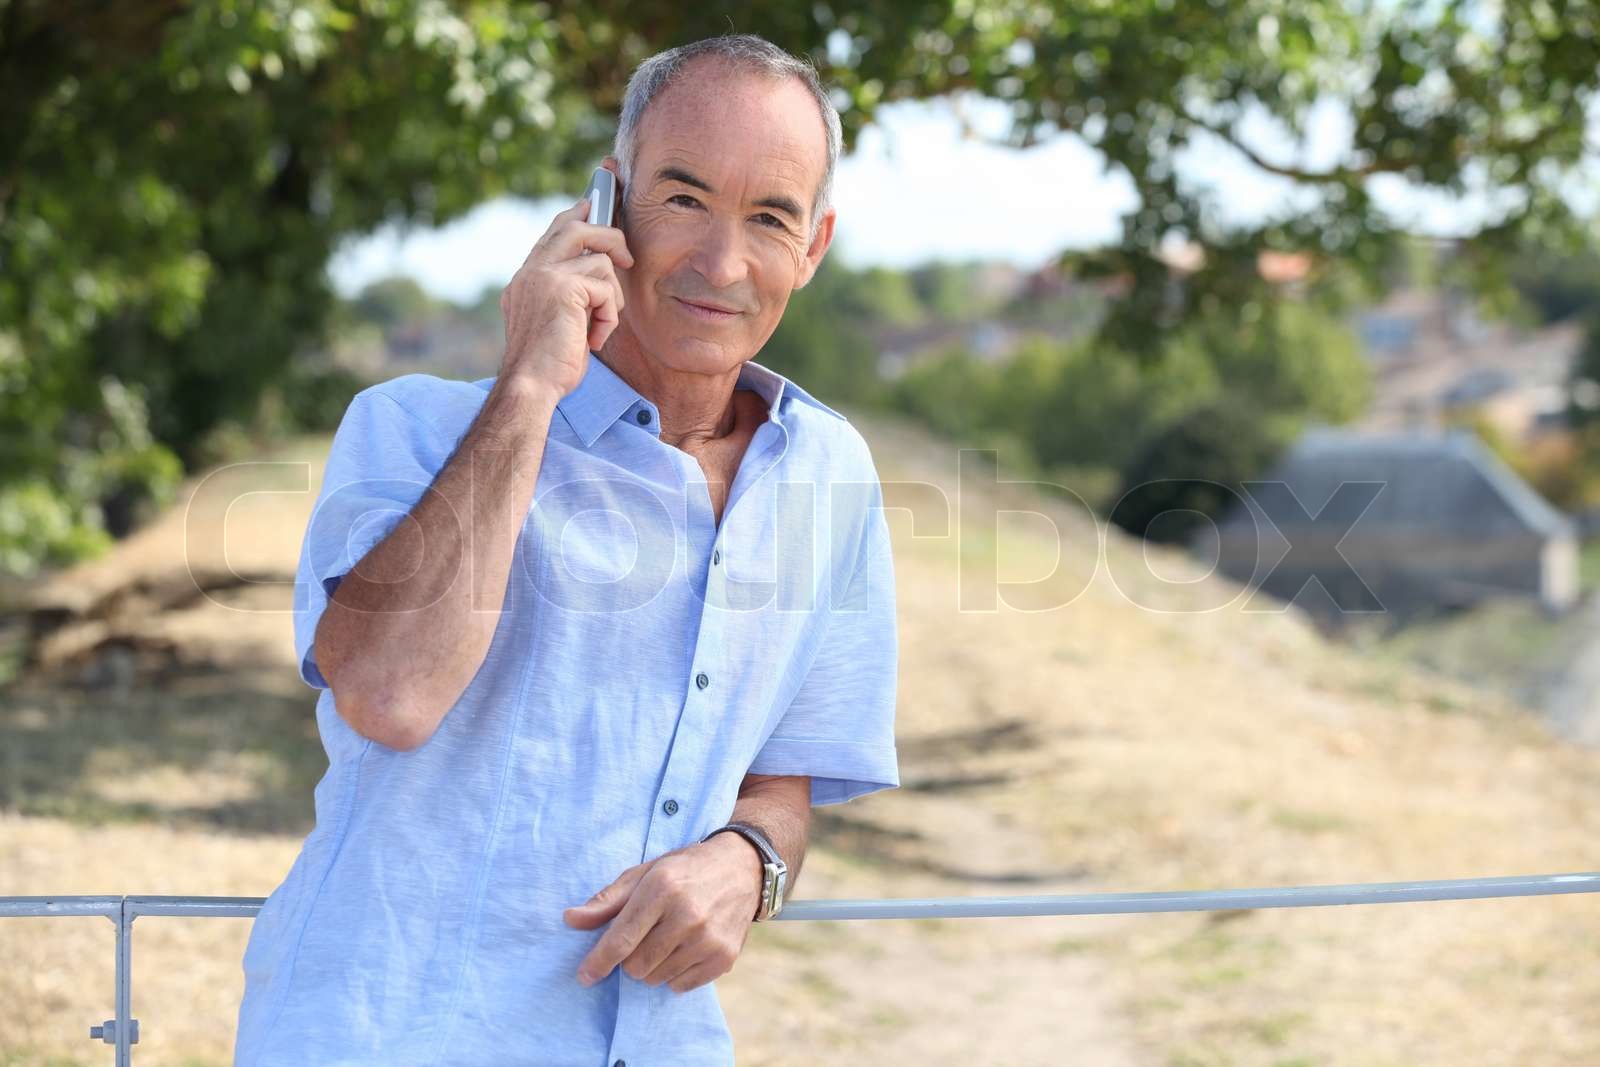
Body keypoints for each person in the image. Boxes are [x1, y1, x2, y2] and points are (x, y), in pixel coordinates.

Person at [233, 32, 901, 1066]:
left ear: (812, 247)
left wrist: (748, 862)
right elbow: (390, 695)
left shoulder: (830, 473)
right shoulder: (410, 425)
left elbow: (782, 785)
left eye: (769, 217)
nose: (722, 263)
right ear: (608, 201)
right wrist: (531, 385)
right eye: (684, 197)